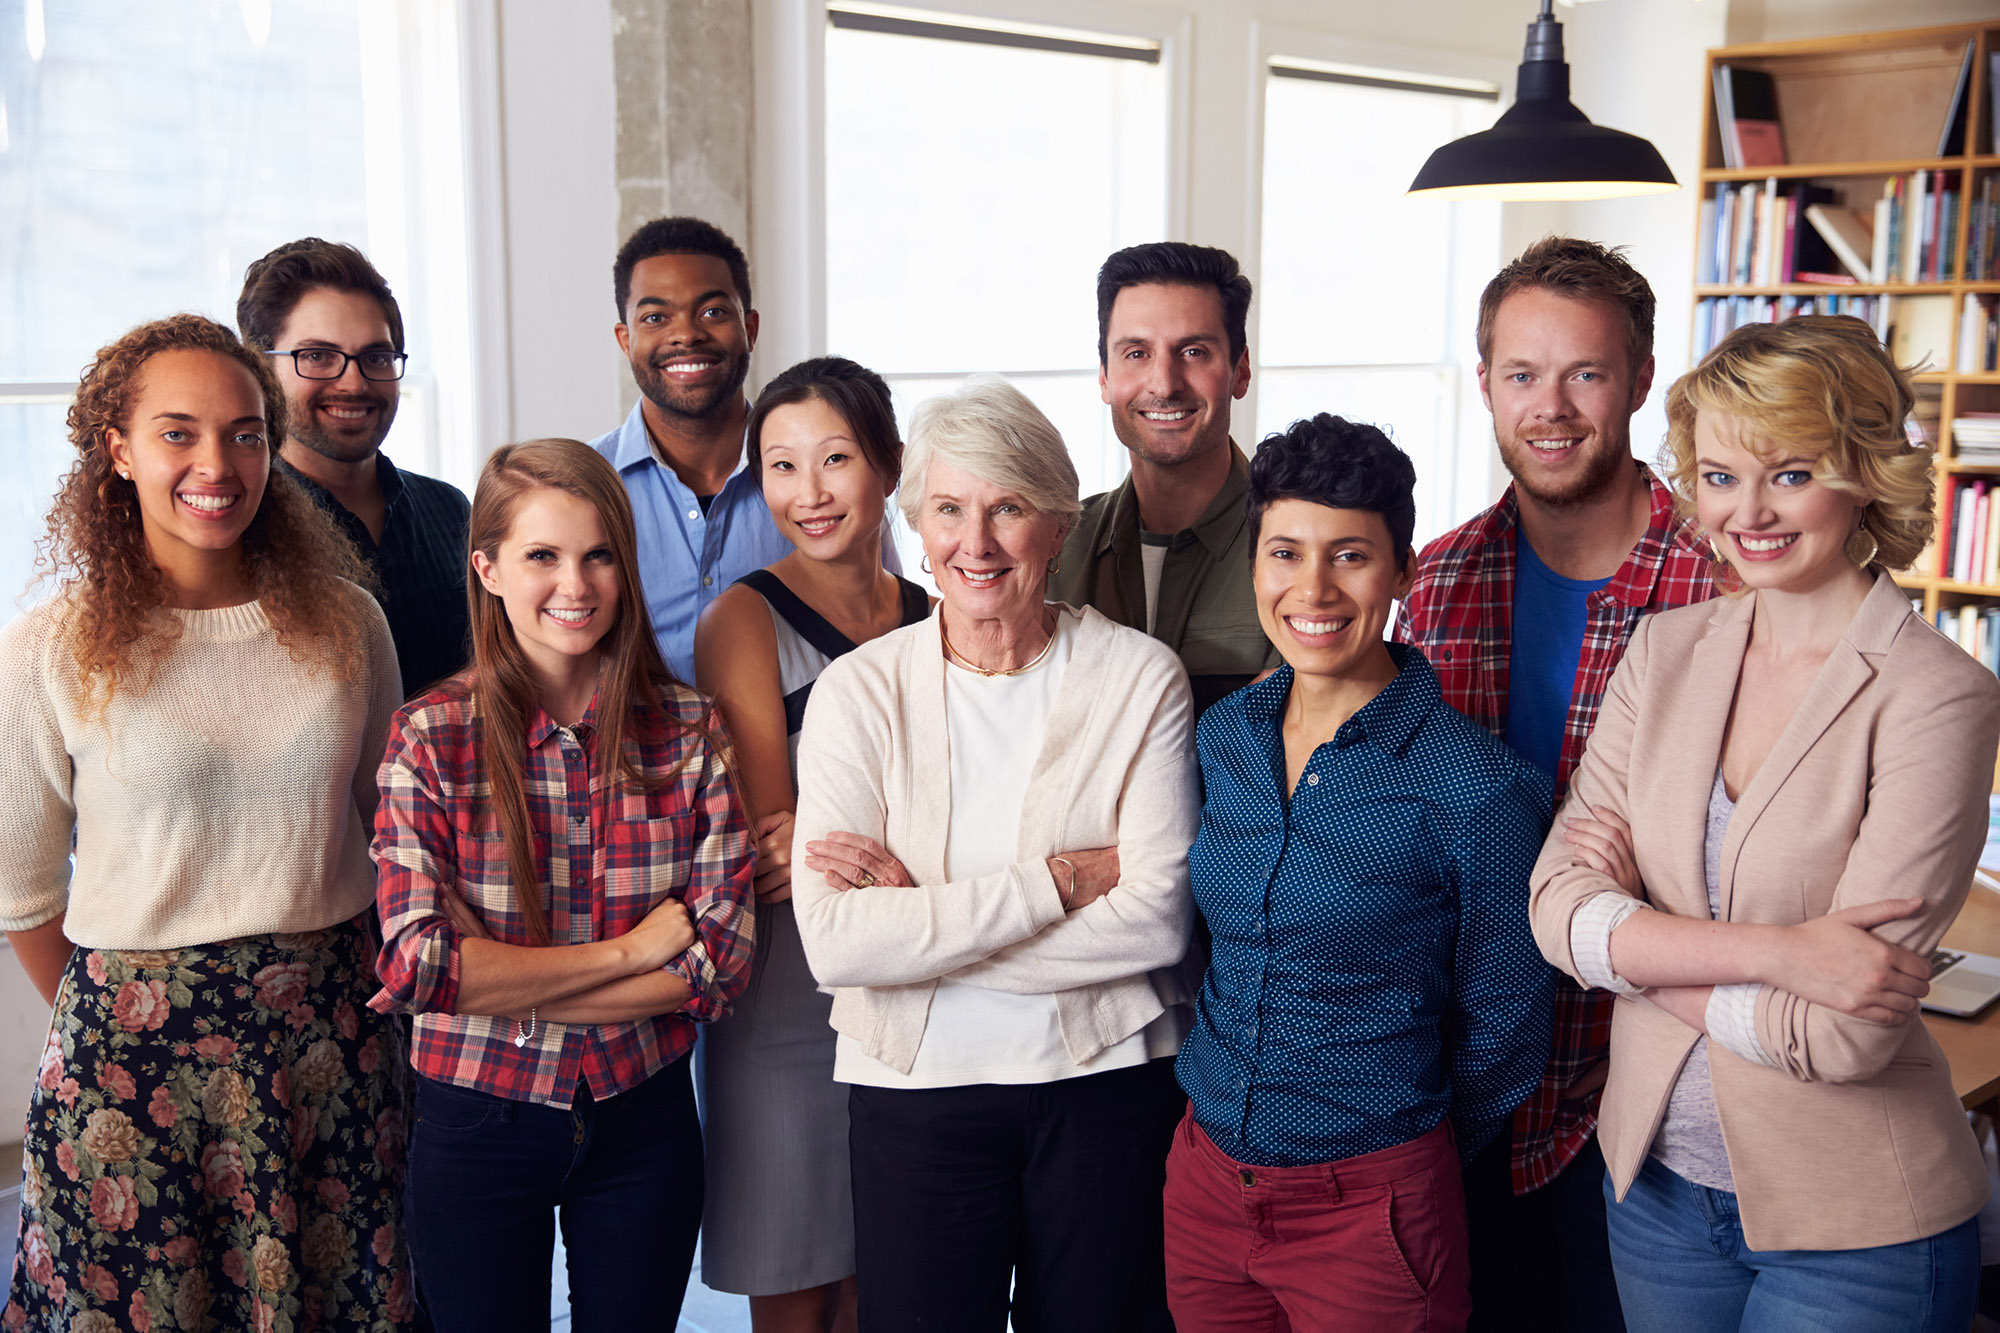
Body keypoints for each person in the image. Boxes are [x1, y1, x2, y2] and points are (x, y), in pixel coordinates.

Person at [1529, 315, 1998, 1333]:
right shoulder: (1662, 650)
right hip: (1651, 1185)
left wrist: (1630, 948)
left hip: (1857, 1225)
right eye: (1718, 475)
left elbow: (1840, 1032)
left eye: (1789, 473)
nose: (1748, 511)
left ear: (1864, 472)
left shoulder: (1934, 696)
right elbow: (1553, 907)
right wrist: (1784, 953)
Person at [0, 314, 411, 1331]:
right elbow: (22, 892)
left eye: (243, 433)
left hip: (333, 1048)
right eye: (177, 433)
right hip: (129, 1077)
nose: (215, 464)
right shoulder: (53, 646)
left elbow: (394, 832)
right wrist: (145, 1013)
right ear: (119, 450)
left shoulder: (347, 622)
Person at [790, 376, 1197, 1333]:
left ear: (1058, 524)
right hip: (914, 1096)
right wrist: (1057, 883)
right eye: (948, 510)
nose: (975, 543)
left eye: (1007, 508)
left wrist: (922, 930)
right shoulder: (858, 693)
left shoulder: (1139, 678)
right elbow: (840, 946)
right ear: (917, 527)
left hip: (1103, 1085)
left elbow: (1156, 920)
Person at [1166, 415, 1554, 1332]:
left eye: (1349, 556)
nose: (1313, 588)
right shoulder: (1223, 738)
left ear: (1402, 571)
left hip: (1373, 1207)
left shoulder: (1478, 787)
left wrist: (1394, 1147)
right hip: (1208, 1184)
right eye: (1285, 553)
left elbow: (1507, 1029)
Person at [1397, 236, 1714, 1330]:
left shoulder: (1717, 584)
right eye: (1521, 374)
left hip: (1643, 1097)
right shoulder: (1432, 582)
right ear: (1482, 382)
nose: (1551, 407)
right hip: (1463, 1089)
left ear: (1637, 378)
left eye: (1583, 372)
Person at [369, 439, 755, 1332]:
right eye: (542, 555)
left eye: (598, 555)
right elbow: (421, 967)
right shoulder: (430, 736)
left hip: (643, 1118)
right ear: (489, 568)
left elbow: (720, 964)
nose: (573, 585)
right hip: (475, 1120)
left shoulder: (691, 730)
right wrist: (631, 953)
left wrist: (497, 976)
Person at [692, 357, 930, 1333]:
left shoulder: (937, 614)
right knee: (797, 1282)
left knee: (889, 1274)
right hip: (783, 996)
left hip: (917, 988)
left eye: (834, 458)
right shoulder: (739, 619)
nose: (809, 491)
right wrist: (919, 843)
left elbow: (837, 838)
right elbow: (774, 838)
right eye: (780, 466)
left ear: (889, 465)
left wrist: (864, 844)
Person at [589, 216, 896, 681]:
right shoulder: (583, 485)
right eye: (655, 317)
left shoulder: (830, 489)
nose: (686, 334)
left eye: (713, 312)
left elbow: (889, 629)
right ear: (625, 339)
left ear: (750, 327)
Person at [238, 237, 473, 697]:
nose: (354, 382)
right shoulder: (242, 526)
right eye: (318, 357)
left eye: (376, 357)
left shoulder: (450, 510)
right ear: (261, 368)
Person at [1050, 241, 1277, 715]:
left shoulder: (1298, 544)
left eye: (1194, 351)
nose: (1164, 383)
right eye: (1136, 353)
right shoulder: (1054, 546)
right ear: (1105, 377)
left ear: (1240, 370)